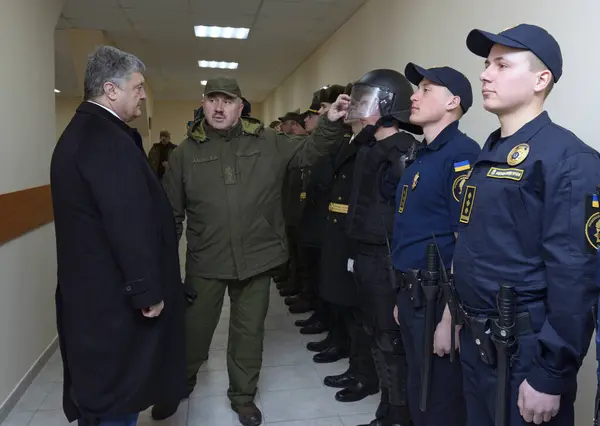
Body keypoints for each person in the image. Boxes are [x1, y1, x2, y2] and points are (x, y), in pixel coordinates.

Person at [156, 77, 347, 426]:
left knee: (248, 333)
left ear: (240, 105)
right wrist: (162, 268)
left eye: (226, 100)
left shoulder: (268, 141)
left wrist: (332, 122)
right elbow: (171, 215)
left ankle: (243, 396)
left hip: (258, 258)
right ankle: (178, 384)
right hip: (206, 260)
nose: (218, 107)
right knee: (193, 332)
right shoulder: (185, 153)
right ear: (203, 103)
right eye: (212, 99)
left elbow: (310, 151)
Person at [453, 24, 600, 426]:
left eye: (501, 64)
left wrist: (550, 374)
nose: (484, 74)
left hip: (524, 352)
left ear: (541, 78)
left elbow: (577, 277)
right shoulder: (491, 150)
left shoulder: (568, 158)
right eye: (486, 64)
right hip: (479, 339)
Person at [50, 45, 186, 426]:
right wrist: (147, 290)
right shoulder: (103, 139)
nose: (143, 93)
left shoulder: (87, 131)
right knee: (117, 396)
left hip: (97, 296)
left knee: (103, 393)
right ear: (111, 90)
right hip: (112, 302)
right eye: (138, 86)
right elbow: (126, 222)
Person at [392, 63, 480, 426]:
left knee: (440, 397)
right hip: (413, 294)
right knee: (418, 388)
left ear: (452, 102)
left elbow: (467, 243)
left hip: (439, 300)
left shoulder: (461, 155)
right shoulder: (421, 156)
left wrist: (450, 318)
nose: (414, 95)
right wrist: (401, 296)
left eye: (427, 89)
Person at [342, 69, 422, 426]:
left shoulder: (404, 150)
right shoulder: (368, 147)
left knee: (390, 340)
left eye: (366, 100)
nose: (360, 107)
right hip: (364, 252)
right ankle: (387, 407)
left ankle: (399, 414)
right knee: (373, 331)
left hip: (386, 257)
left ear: (389, 105)